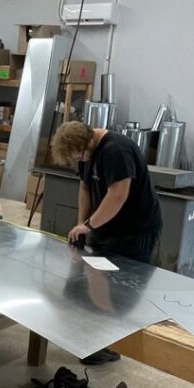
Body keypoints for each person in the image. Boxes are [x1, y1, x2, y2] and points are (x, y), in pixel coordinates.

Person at [51, 120, 163, 364]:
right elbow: (85, 188)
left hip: (135, 230)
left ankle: (112, 342)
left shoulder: (116, 150)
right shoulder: (87, 153)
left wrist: (90, 225)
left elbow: (118, 195)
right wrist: (82, 225)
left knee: (121, 290)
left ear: (86, 143)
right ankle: (95, 341)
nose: (78, 162)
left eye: (77, 156)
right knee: (91, 280)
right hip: (107, 225)